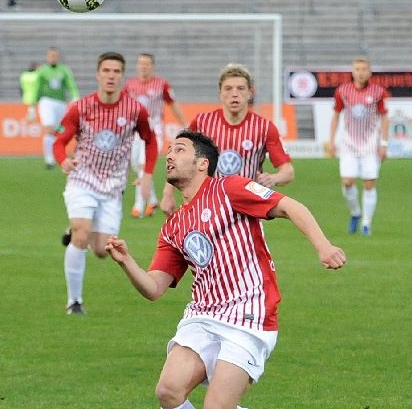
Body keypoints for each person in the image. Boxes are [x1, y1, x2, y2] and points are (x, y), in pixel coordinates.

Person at [105, 130, 346, 409]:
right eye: (169, 150)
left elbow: (289, 206)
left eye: (179, 150)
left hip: (249, 312)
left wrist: (323, 246)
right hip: (203, 314)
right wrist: (126, 262)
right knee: (168, 390)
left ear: (202, 163)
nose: (169, 156)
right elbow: (154, 288)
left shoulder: (230, 189)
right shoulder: (173, 226)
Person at [54, 51, 158, 315]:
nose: (111, 76)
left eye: (116, 71)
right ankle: (74, 302)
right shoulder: (81, 107)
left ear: (122, 76)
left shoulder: (135, 109)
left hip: (113, 186)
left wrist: (147, 174)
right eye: (106, 71)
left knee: (102, 249)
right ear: (97, 74)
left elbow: (151, 141)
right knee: (81, 235)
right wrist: (63, 160)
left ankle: (78, 229)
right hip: (83, 179)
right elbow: (59, 141)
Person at [160, 63, 293, 214]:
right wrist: (167, 193)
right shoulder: (202, 122)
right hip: (209, 207)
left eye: (240, 88)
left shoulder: (264, 127)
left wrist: (273, 179)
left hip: (247, 209)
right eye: (228, 88)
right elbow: (178, 158)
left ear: (250, 92)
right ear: (220, 93)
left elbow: (288, 171)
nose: (234, 94)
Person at [324, 56, 390, 236]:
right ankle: (355, 212)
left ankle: (366, 223)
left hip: (370, 144)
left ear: (369, 72)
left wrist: (384, 144)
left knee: (369, 183)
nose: (361, 73)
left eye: (364, 69)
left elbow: (385, 118)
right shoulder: (343, 91)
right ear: (353, 72)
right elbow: (336, 115)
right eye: (358, 69)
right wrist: (331, 140)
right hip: (349, 144)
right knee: (347, 182)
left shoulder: (378, 92)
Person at [125, 53, 186, 218]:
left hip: (155, 129)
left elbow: (173, 104)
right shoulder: (129, 85)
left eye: (147, 64)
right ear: (137, 66)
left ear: (152, 66)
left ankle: (138, 206)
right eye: (141, 63)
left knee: (143, 163)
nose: (143, 67)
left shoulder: (161, 84)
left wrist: (184, 124)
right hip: (135, 130)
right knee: (136, 163)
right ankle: (152, 200)